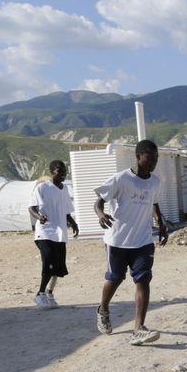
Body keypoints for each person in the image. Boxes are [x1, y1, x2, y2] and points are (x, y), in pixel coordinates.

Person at [94, 139, 168, 346]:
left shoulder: (155, 182)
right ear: (138, 157)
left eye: (156, 157)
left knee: (143, 280)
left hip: (143, 240)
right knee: (115, 278)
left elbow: (155, 204)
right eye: (150, 157)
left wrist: (161, 225)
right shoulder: (121, 179)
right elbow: (99, 200)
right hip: (117, 240)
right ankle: (103, 309)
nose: (153, 161)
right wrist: (100, 214)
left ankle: (139, 329)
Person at [28, 160, 78, 309]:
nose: (63, 174)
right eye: (59, 172)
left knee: (58, 267)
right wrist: (39, 217)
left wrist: (73, 223)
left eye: (64, 172)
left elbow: (66, 210)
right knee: (48, 263)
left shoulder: (64, 188)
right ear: (52, 172)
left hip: (60, 233)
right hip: (45, 232)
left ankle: (49, 293)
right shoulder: (42, 188)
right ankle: (40, 294)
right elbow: (32, 208)